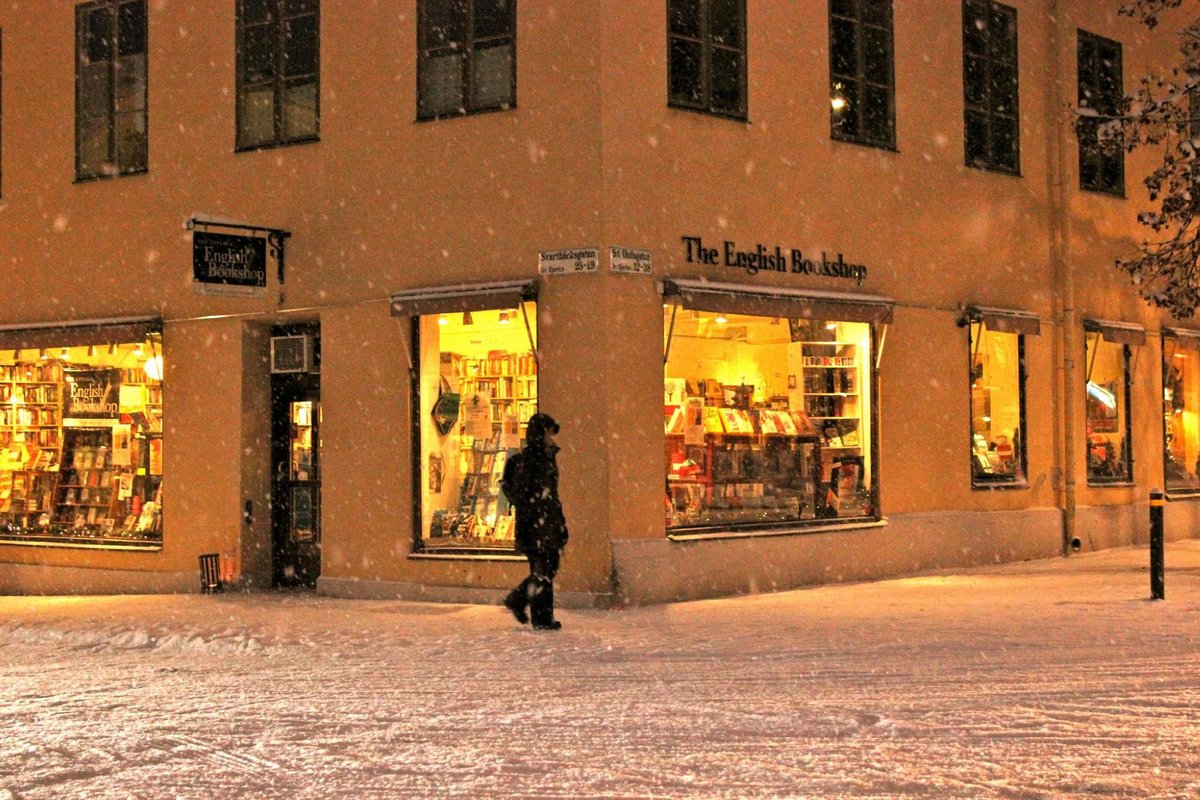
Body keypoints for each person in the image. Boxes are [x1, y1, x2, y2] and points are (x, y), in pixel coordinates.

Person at [501, 412, 569, 630]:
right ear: (541, 434)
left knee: (545, 570)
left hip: (546, 524)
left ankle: (539, 615)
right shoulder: (531, 460)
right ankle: (525, 605)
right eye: (549, 433)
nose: (552, 437)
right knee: (544, 571)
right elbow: (525, 496)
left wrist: (558, 523)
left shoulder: (545, 457)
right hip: (537, 526)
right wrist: (538, 520)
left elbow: (551, 496)